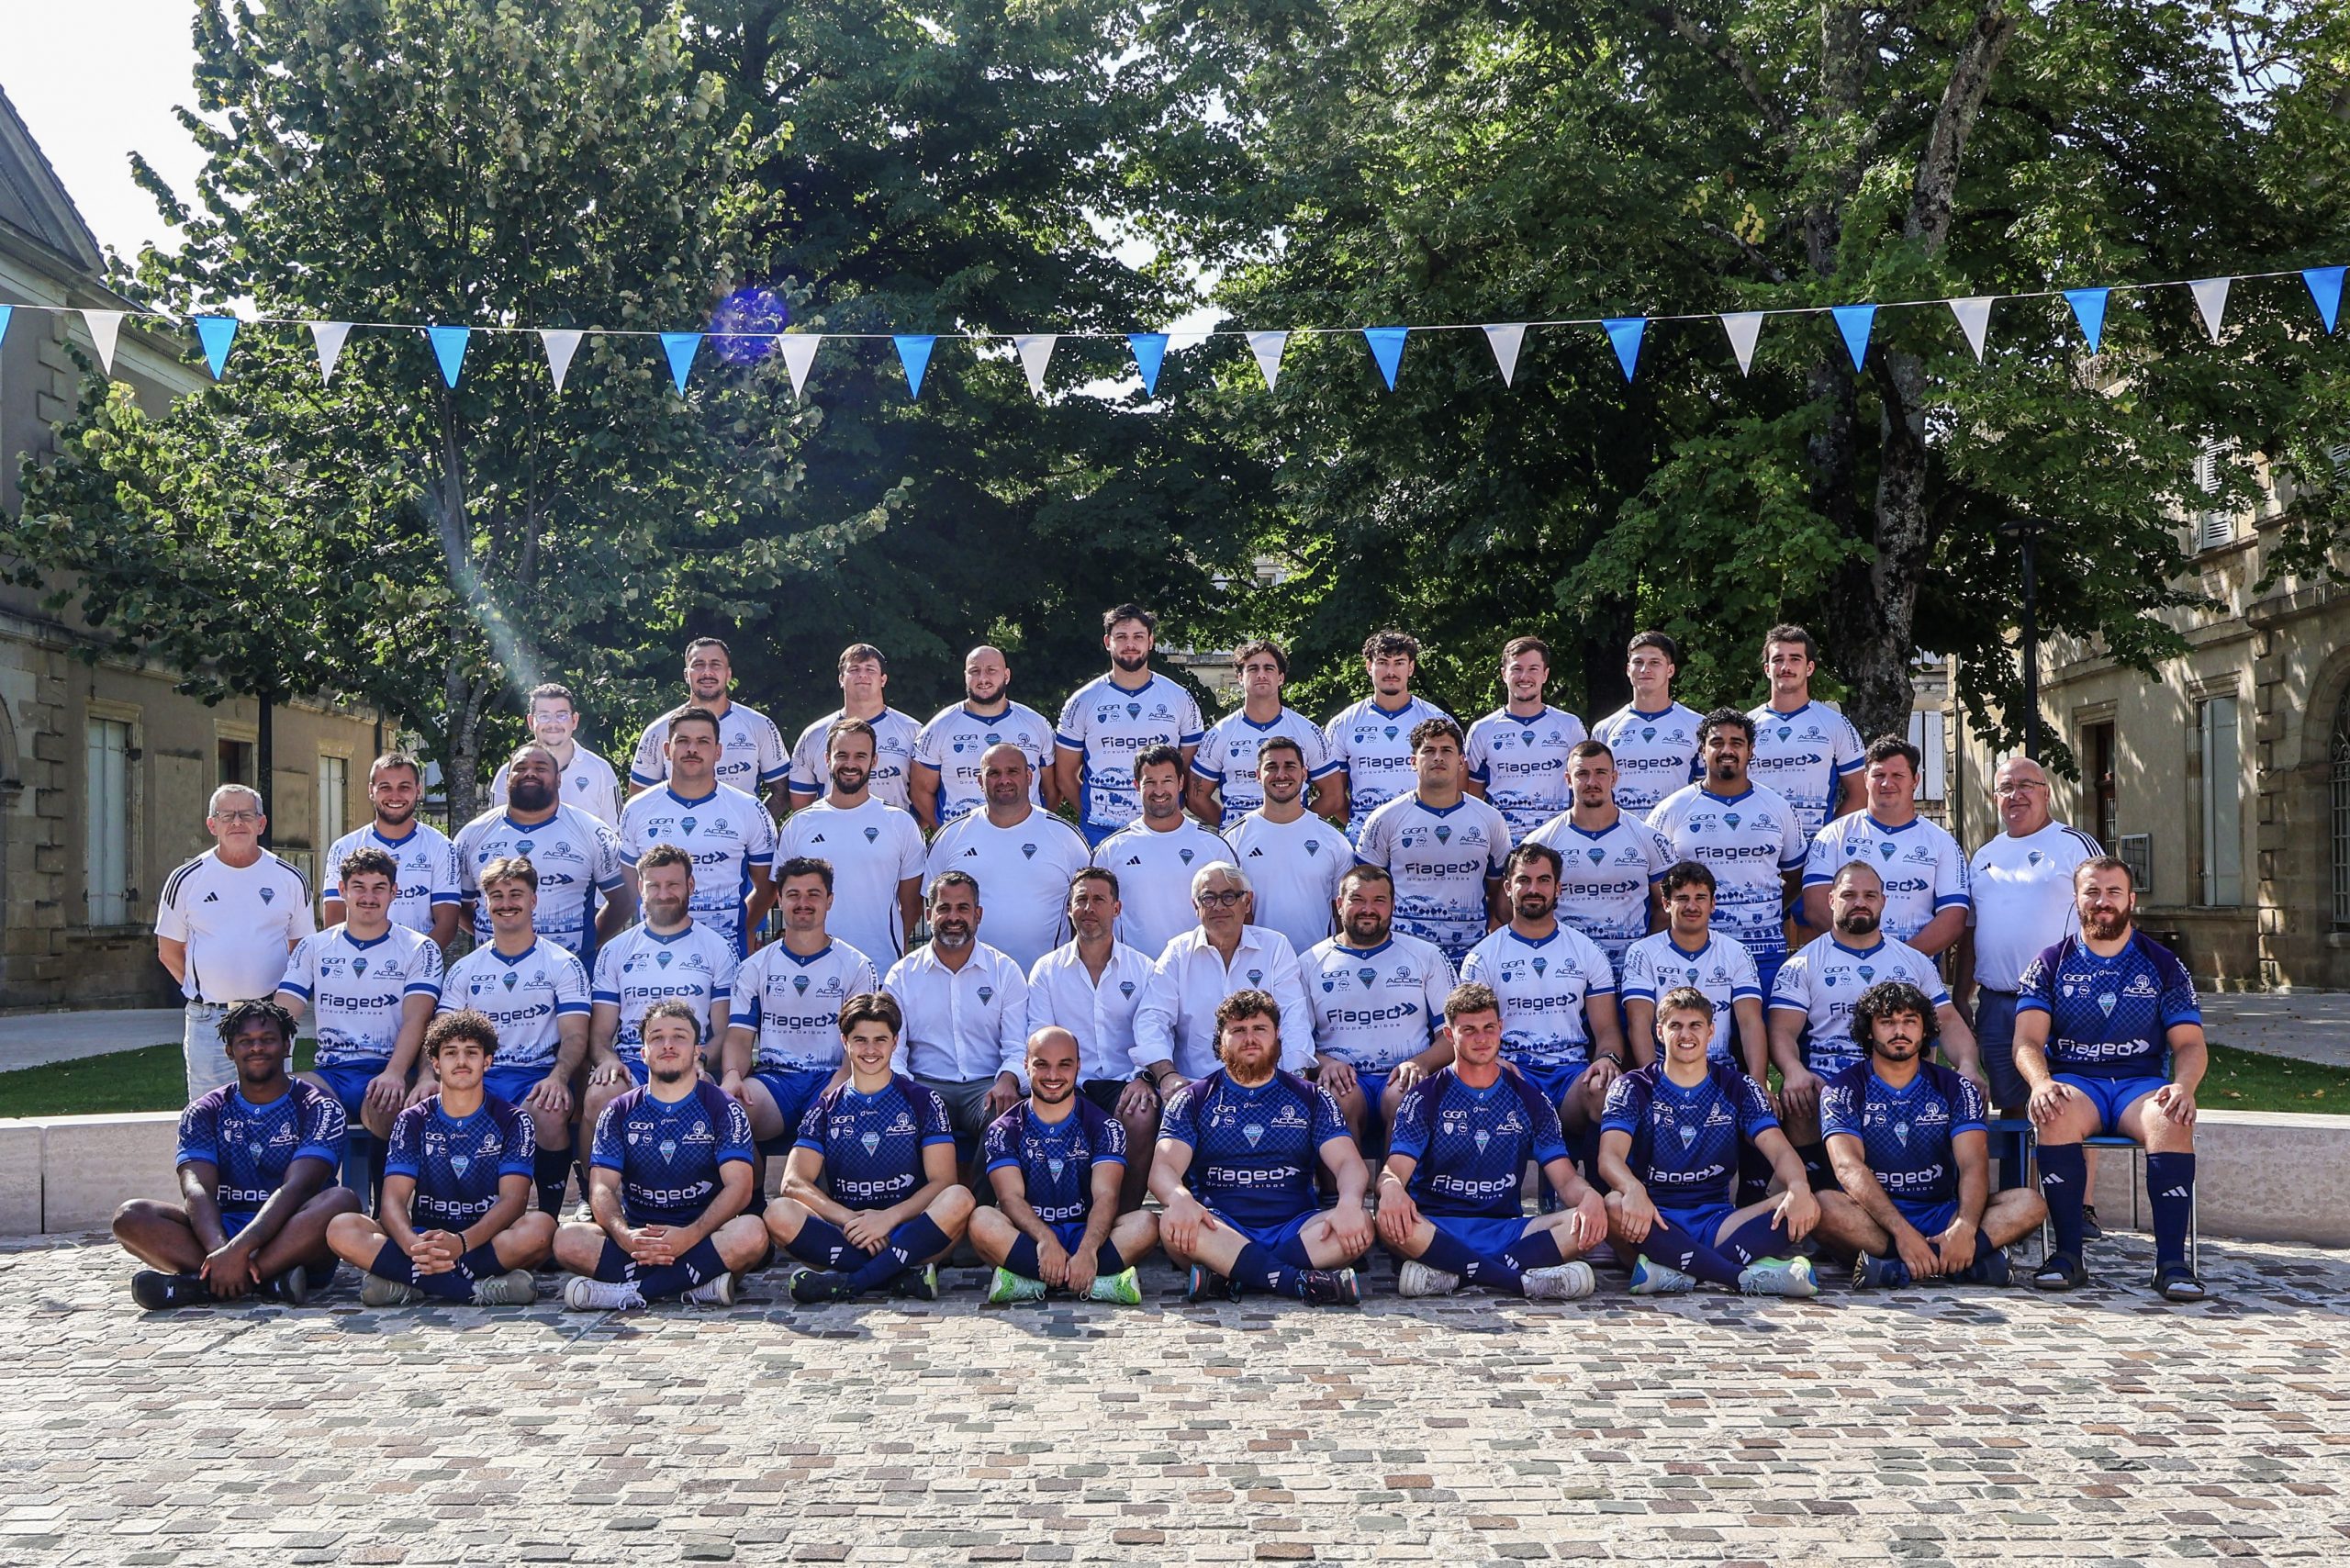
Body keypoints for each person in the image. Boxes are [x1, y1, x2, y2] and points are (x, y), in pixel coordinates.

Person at [2013, 857, 2210, 1301]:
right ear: (2077, 898)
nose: (2103, 902)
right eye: (2092, 892)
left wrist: (2184, 1086)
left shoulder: (2163, 965)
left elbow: (2190, 1045)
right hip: (2076, 1082)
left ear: (2130, 900)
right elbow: (2026, 1042)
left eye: (2113, 892)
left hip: (2139, 1085)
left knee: (2172, 1116)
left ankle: (2172, 1264)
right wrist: (2041, 1083)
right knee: (2054, 1111)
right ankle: (2066, 1257)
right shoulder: (2049, 963)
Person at [1598, 987, 1855, 1296]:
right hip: (1654, 1214)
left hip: (1718, 1221)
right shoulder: (1632, 1086)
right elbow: (1609, 1157)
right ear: (1659, 1032)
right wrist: (1632, 1188)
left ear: (1711, 1032)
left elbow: (1780, 1152)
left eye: (1695, 1025)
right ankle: (1737, 1276)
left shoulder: (1738, 1086)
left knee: (1805, 1204)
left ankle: (1676, 1271)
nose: (1685, 1035)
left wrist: (1799, 1187)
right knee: (1613, 1205)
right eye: (1675, 1025)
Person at [112, 1001, 358, 1309]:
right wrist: (222, 1250)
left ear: (286, 1045)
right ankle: (265, 1282)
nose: (257, 1048)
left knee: (341, 1201)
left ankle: (202, 1285)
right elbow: (197, 1188)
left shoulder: (319, 1106)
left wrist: (240, 1249)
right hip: (221, 1232)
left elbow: (300, 1187)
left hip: (293, 1233)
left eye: (267, 1039)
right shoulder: (204, 1111)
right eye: (245, 1041)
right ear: (230, 1050)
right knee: (131, 1216)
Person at [1376, 980, 1606, 1301]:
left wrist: (1590, 1197)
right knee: (1389, 1225)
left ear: (1501, 1028)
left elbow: (1565, 1180)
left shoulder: (1530, 1098)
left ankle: (1452, 1274)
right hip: (1436, 1228)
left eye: (1488, 1028)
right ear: (1448, 1034)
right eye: (1468, 1030)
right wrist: (1390, 1189)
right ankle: (1519, 1280)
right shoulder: (1425, 1097)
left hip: (1506, 1229)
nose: (1481, 1039)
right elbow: (1394, 1171)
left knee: (1584, 1225)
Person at [1149, 990, 1370, 1305]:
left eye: (1259, 1029)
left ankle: (1232, 1276)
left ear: (1277, 1035)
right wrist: (1179, 1196)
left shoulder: (1311, 1097)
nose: (1249, 1038)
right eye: (1238, 1030)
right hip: (1220, 1226)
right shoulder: (1193, 1099)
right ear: (1220, 1040)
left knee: (1360, 1222)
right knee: (1173, 1221)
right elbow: (1163, 1169)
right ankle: (1296, 1281)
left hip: (1296, 1228)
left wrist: (1348, 1202)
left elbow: (1348, 1163)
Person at [1769, 860, 1982, 1183]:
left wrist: (1966, 1065)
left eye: (1870, 895)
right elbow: (1782, 1030)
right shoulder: (1802, 963)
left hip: (1902, 1078)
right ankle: (1815, 1191)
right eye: (1849, 895)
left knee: (1958, 1091)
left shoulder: (1913, 961)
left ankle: (1938, 1189)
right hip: (1830, 1079)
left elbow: (1949, 1022)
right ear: (1831, 900)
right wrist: (1794, 1071)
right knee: (1798, 1095)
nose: (1859, 903)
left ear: (1883, 901)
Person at [1823, 982, 2045, 1290]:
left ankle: (1897, 1269)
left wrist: (1965, 1227)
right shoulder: (1843, 1089)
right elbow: (1848, 1167)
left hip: (1942, 1212)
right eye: (1887, 1022)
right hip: (1874, 1218)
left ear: (1926, 1029)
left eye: (1909, 1021)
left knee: (2029, 1203)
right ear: (1870, 1031)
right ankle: (1964, 1265)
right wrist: (1902, 1232)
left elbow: (1973, 1164)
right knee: (1823, 1206)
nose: (1899, 1031)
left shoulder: (1956, 1087)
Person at [326, 1009, 554, 1306]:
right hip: (425, 1238)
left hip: (484, 1240)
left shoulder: (513, 1120)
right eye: (450, 1053)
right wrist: (411, 1245)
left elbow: (514, 1202)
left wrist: (462, 1243)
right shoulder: (412, 1119)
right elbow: (392, 1201)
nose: (461, 1062)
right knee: (341, 1227)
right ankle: (471, 1289)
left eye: (471, 1053)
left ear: (487, 1061)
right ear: (435, 1063)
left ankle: (410, 1283)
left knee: (541, 1229)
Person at [765, 991, 977, 1304]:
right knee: (778, 1212)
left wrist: (888, 1218)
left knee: (959, 1198)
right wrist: (850, 1219)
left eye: (880, 1040)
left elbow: (943, 1181)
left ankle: (854, 1281)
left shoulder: (923, 1101)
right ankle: (898, 1276)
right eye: (860, 1040)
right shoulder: (825, 1107)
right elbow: (793, 1182)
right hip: (851, 1233)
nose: (870, 1050)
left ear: (895, 1042)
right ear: (844, 1041)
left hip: (908, 1228)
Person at [554, 1001, 768, 1310]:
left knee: (752, 1233)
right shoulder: (618, 1110)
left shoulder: (723, 1107)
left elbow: (740, 1187)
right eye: (656, 1038)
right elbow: (601, 1187)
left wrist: (691, 1235)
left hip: (704, 1234)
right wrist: (625, 1235)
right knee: (567, 1239)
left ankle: (628, 1291)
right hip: (640, 1237)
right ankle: (694, 1285)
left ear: (697, 1051)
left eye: (679, 1037)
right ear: (643, 1052)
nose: (668, 1045)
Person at [438, 856, 593, 1215]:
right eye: (497, 895)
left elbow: (575, 1036)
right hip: (481, 1077)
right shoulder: (465, 969)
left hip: (536, 1075)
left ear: (534, 900)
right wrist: (438, 1079)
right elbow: (442, 1034)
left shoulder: (561, 963)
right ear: (484, 904)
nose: (506, 904)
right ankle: (459, 1215)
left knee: (550, 1109)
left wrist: (558, 1078)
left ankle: (550, 1217)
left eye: (516, 894)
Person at [970, 1027, 1159, 1305]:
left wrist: (1088, 1249)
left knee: (1146, 1224)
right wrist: (1045, 1240)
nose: (1053, 1076)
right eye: (1042, 1064)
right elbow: (1010, 1198)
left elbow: (1106, 1196)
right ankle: (1095, 1284)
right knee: (981, 1220)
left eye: (1065, 1065)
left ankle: (1032, 1281)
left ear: (1078, 1067)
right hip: (1032, 1239)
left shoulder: (1105, 1127)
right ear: (1025, 1066)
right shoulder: (1003, 1129)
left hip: (1088, 1234)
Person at [1459, 844, 1627, 1153]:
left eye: (1543, 880)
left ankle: (1606, 1196)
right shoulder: (1482, 957)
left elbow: (1608, 1031)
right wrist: (1493, 1062)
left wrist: (1607, 1059)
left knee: (1608, 1091)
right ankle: (1493, 1199)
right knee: (1482, 1085)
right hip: (1511, 1072)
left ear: (1558, 888)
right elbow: (1470, 1032)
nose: (1533, 889)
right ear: (1508, 888)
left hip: (1570, 1075)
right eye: (1524, 880)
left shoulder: (1586, 950)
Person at [1958, 756, 2102, 1114]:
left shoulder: (2075, 846)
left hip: (2063, 1002)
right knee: (2011, 1110)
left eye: (2026, 786)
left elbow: (2107, 921)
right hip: (1998, 1005)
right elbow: (1971, 931)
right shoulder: (1983, 856)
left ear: (2046, 793)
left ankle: (2061, 1174)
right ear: (1995, 798)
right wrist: (1961, 996)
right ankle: (2017, 1174)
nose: (2016, 795)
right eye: (2006, 787)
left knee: (2066, 1107)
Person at [275, 846, 444, 1148]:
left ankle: (387, 1195)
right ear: (342, 890)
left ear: (394, 892)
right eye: (359, 887)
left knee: (387, 1107)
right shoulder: (314, 946)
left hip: (388, 1067)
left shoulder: (420, 948)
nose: (369, 897)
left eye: (379, 888)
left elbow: (417, 1019)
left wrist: (394, 1072)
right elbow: (283, 1014)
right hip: (332, 1071)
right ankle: (321, 1194)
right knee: (280, 1103)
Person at [157, 784, 317, 1100]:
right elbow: (169, 950)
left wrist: (279, 1007)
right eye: (226, 815)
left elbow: (302, 950)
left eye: (246, 814)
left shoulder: (289, 878)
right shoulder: (186, 879)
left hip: (272, 1019)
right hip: (208, 1023)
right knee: (208, 1114)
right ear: (211, 824)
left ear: (261, 823)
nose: (237, 822)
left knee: (273, 1111)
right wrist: (206, 993)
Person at [1024, 868, 1160, 1209]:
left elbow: (1154, 1030)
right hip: (1070, 1080)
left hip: (1123, 1080)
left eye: (1099, 900)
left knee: (1142, 1112)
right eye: (1081, 900)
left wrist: (1144, 1077)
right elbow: (1039, 1036)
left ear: (1116, 908)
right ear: (1069, 909)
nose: (1089, 908)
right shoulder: (1047, 970)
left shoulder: (1143, 969)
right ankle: (1057, 1214)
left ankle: (1125, 1216)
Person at [1644, 709, 1807, 994]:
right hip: (1694, 954)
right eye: (1717, 743)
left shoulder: (1778, 807)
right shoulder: (1671, 810)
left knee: (1760, 1038)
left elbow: (1796, 876)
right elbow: (1653, 884)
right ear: (1702, 750)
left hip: (1764, 954)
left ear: (1751, 750)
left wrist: (1763, 911)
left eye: (1737, 743)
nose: (1727, 750)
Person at [722, 857, 879, 1148]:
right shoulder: (754, 967)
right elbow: (739, 1039)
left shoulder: (856, 965)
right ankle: (753, 1194)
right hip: (776, 1082)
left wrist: (843, 1079)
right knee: (731, 1114)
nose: (803, 902)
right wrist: (732, 1075)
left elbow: (862, 1039)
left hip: (832, 1077)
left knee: (839, 1124)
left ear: (829, 900)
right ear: (779, 899)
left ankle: (824, 1193)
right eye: (793, 894)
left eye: (813, 894)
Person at [1133, 861, 1315, 1103]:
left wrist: (1295, 1078)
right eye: (1208, 898)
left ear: (1247, 902)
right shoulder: (1178, 953)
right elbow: (1152, 1018)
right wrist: (1167, 1075)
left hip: (1268, 1084)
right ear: (1195, 906)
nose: (1218, 906)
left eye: (1229, 896)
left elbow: (1293, 1019)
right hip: (1195, 1086)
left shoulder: (1275, 947)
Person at [1301, 865, 1457, 1145]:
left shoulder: (1426, 956)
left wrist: (1420, 1063)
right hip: (1346, 1077)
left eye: (1378, 901)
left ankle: (1394, 1188)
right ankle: (1337, 1191)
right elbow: (1296, 1041)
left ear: (1393, 905)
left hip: (1402, 1073)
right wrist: (1324, 1064)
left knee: (1404, 1095)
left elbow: (1453, 1036)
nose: (1368, 909)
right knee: (1339, 1097)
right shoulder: (1309, 963)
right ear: (1339, 904)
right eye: (1357, 900)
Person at [583, 844, 738, 1114]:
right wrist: (607, 1059)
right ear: (641, 887)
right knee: (599, 1096)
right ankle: (591, 1159)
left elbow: (725, 1032)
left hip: (690, 1061)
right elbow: (599, 1035)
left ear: (691, 885)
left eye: (673, 885)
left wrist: (699, 1059)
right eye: (654, 886)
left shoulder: (718, 949)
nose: (663, 895)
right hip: (632, 1063)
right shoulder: (615, 950)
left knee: (700, 1095)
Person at [616, 706, 777, 956]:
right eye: (683, 741)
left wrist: (739, 928)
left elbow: (767, 887)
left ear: (718, 751)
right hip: (653, 949)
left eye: (703, 741)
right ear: (667, 750)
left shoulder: (749, 809)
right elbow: (629, 881)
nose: (692, 749)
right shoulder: (637, 808)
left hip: (725, 951)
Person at [883, 871, 1032, 1139]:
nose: (953, 918)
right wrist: (904, 1089)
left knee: (1008, 1125)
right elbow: (893, 1049)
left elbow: (1017, 1046)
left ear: (978, 914)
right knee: (897, 1120)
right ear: (929, 915)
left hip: (987, 1085)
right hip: (924, 1084)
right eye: (944, 908)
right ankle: (935, 1184)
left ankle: (977, 1184)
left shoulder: (1005, 971)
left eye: (963, 908)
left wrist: (1008, 1079)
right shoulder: (902, 975)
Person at [453, 743, 635, 959]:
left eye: (541, 768)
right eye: (520, 768)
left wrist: (589, 944)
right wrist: (499, 934)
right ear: (507, 779)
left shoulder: (593, 831)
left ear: (559, 779)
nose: (530, 773)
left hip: (571, 976)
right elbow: (455, 906)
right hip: (492, 975)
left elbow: (625, 900)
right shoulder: (472, 834)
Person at [1354, 717, 1510, 966]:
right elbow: (1368, 891)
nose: (1438, 757)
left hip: (1471, 953)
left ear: (1461, 762)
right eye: (1428, 750)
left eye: (1446, 750)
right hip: (1404, 954)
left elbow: (1498, 890)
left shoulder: (1490, 819)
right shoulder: (1385, 818)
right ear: (1413, 762)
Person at [772, 718, 927, 969]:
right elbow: (783, 897)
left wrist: (889, 946)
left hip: (880, 965)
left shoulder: (900, 823)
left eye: (860, 756)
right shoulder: (799, 825)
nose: (850, 764)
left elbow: (911, 904)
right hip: (811, 967)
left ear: (874, 761)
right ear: (827, 759)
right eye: (842, 755)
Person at [923, 743, 1091, 970]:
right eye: (993, 773)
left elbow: (1089, 910)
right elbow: (932, 908)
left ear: (1029, 776)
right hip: (969, 979)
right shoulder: (950, 836)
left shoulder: (1066, 837)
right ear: (980, 782)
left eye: (1013, 771)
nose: (1004, 780)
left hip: (1045, 981)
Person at [1799, 735, 1970, 956]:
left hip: (1914, 969)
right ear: (1865, 779)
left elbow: (1953, 917)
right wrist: (1859, 950)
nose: (1887, 783)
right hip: (1843, 962)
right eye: (1878, 775)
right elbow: (1815, 907)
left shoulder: (1942, 842)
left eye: (1898, 775)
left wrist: (1898, 960)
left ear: (1915, 780)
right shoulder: (1833, 834)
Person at [1055, 603, 1206, 846]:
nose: (1130, 644)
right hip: (1101, 830)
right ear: (1107, 642)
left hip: (1164, 828)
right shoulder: (1082, 701)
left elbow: (1189, 772)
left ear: (1151, 641)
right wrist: (1094, 811)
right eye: (1121, 637)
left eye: (1138, 637)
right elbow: (1064, 776)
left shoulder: (1179, 697)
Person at [1526, 741, 1675, 971]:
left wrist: (1646, 959)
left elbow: (1665, 910)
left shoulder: (1647, 838)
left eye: (1600, 773)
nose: (1591, 782)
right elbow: (1521, 912)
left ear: (1614, 778)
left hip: (1632, 973)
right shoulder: (1541, 842)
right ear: (1568, 780)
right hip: (1566, 972)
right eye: (1582, 774)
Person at [1618, 861, 1767, 1081]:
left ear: (1713, 904)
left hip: (1721, 1071)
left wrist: (1759, 1082)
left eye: (1700, 898)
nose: (1692, 906)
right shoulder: (1642, 952)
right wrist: (1653, 1084)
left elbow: (1750, 1022)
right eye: (1682, 899)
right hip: (1665, 1071)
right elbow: (1638, 1023)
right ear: (1666, 904)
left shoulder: (1737, 952)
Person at [1091, 745, 1236, 958]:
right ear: (1136, 786)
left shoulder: (1214, 847)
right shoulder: (1111, 850)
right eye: (1150, 782)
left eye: (1167, 780)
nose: (1159, 791)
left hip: (1198, 971)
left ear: (1180, 783)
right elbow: (1093, 915)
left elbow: (1239, 912)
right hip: (1135, 977)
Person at [1189, 638, 1343, 828]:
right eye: (1253, 669)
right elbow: (1196, 798)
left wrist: (1302, 825)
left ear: (1281, 678)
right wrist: (1231, 827)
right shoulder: (1219, 734)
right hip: (1239, 845)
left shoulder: (1307, 731)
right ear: (1239, 677)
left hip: (1292, 839)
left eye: (1269, 668)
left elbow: (1334, 796)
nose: (1261, 674)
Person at [628, 636, 789, 810]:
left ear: (728, 674)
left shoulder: (759, 725)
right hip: (676, 835)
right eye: (698, 665)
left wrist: (759, 827)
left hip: (741, 836)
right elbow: (639, 799)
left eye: (715, 664)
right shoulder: (659, 730)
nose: (707, 672)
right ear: (686, 675)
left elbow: (783, 792)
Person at [911, 644, 1060, 830]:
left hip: (1027, 836)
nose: (983, 678)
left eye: (991, 670)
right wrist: (944, 831)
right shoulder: (938, 727)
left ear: (1006, 675)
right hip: (962, 839)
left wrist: (1036, 824)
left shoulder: (1035, 724)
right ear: (965, 676)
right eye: (975, 671)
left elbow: (1053, 789)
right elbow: (920, 791)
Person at [1224, 735, 1348, 957]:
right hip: (1255, 966)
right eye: (1271, 767)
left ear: (1304, 773)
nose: (1281, 774)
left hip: (1317, 964)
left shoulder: (1333, 840)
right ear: (1257, 776)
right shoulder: (1234, 839)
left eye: (1290, 766)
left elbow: (1341, 913)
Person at [322, 751, 461, 949]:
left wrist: (418, 961)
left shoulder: (441, 846)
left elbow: (447, 924)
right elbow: (334, 918)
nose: (395, 796)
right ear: (371, 791)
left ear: (418, 790)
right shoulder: (344, 847)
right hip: (358, 963)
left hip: (418, 966)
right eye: (385, 787)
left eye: (404, 787)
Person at [1744, 625, 1866, 839]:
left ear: (1809, 668)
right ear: (1766, 669)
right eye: (1778, 659)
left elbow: (1862, 793)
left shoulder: (1835, 724)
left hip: (1814, 849)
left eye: (1795, 659)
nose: (1786, 667)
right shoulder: (1747, 725)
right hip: (1757, 849)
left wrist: (1828, 837)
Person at [1323, 628, 1450, 834]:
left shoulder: (1438, 720)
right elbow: (1334, 796)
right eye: (1382, 662)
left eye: (1399, 663)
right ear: (1368, 667)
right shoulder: (1343, 724)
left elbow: (1458, 787)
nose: (1391, 672)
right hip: (1363, 842)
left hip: (1424, 836)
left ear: (1410, 668)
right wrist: (1364, 828)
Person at [1463, 634, 1587, 845]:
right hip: (1503, 843)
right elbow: (1473, 797)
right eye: (1517, 669)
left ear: (1545, 675)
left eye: (1533, 669)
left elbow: (1584, 784)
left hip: (1558, 841)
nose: (1524, 677)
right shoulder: (1482, 730)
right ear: (1504, 674)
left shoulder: (1570, 726)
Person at [789, 642, 924, 812]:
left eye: (870, 669)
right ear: (841, 679)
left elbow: (926, 794)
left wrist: (909, 830)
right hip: (833, 835)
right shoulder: (814, 735)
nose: (862, 675)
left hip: (895, 836)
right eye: (854, 670)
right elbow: (800, 803)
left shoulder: (913, 731)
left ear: (883, 679)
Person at [1588, 632, 1704, 817]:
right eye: (1638, 662)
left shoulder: (1697, 725)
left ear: (1670, 670)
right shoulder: (1605, 729)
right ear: (1628, 669)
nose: (1645, 669)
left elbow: (1707, 787)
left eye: (1654, 663)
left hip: (1676, 831)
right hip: (1624, 835)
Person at [490, 682, 624, 827]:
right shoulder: (509, 773)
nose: (553, 723)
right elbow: (496, 830)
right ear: (530, 721)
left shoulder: (600, 771)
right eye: (544, 716)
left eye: (561, 715)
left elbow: (616, 834)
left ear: (574, 720)